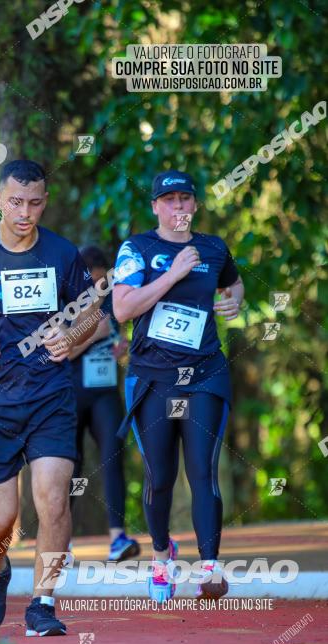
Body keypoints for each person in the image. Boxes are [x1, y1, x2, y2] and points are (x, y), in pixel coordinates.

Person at [0, 159, 104, 636]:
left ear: (44, 202)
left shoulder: (62, 252)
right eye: (15, 202)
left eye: (33, 203)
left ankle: (43, 603)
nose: (24, 213)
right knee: (0, 518)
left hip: (49, 392)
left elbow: (92, 312)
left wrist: (72, 337)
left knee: (53, 501)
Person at [113, 170, 244, 602]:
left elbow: (233, 279)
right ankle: (161, 556)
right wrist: (173, 273)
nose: (178, 208)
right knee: (160, 475)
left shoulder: (213, 247)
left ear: (196, 204)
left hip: (205, 372)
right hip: (152, 378)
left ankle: (210, 568)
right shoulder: (137, 249)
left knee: (203, 471)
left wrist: (234, 298)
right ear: (155, 207)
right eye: (168, 200)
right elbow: (122, 308)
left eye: (185, 199)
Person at [69, 244, 140, 563]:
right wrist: (91, 334)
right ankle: (60, 544)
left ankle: (117, 539)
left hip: (105, 391)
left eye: (102, 283)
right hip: (70, 393)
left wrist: (120, 346)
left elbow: (116, 338)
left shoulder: (114, 302)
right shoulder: (65, 304)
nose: (97, 289)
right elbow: (63, 351)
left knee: (114, 456)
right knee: (68, 466)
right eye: (91, 284)